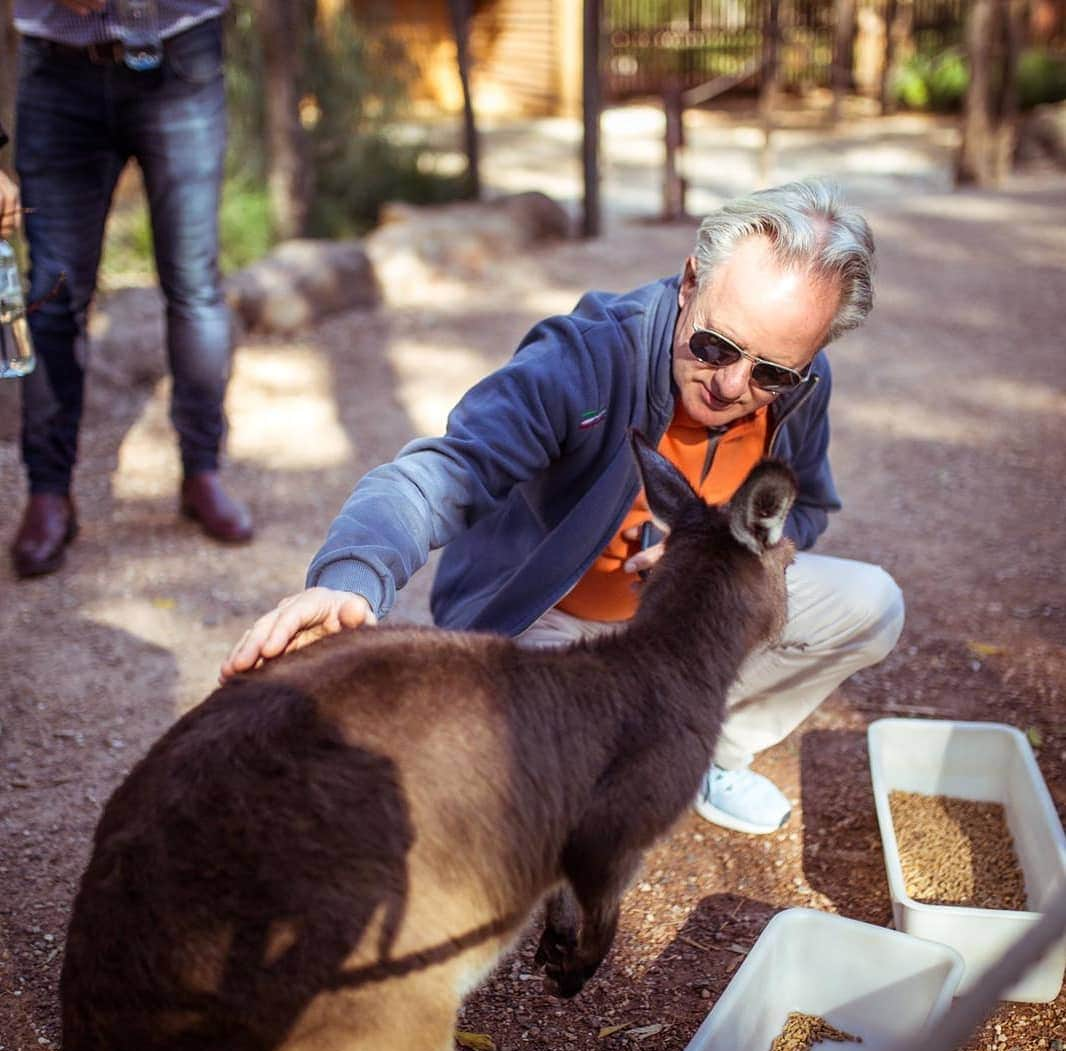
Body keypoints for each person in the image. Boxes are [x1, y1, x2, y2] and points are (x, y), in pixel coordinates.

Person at [222, 179, 905, 835]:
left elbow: (808, 509)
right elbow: (442, 473)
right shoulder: (587, 357)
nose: (731, 385)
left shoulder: (801, 388)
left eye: (771, 371)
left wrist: (724, 551)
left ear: (809, 359)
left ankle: (711, 755)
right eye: (715, 346)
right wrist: (349, 580)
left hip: (681, 622)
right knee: (550, 813)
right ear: (691, 281)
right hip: (554, 625)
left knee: (871, 605)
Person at [8, 0, 252, 580]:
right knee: (50, 294)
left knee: (195, 285)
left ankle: (202, 471)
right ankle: (48, 493)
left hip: (183, 53)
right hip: (54, 70)